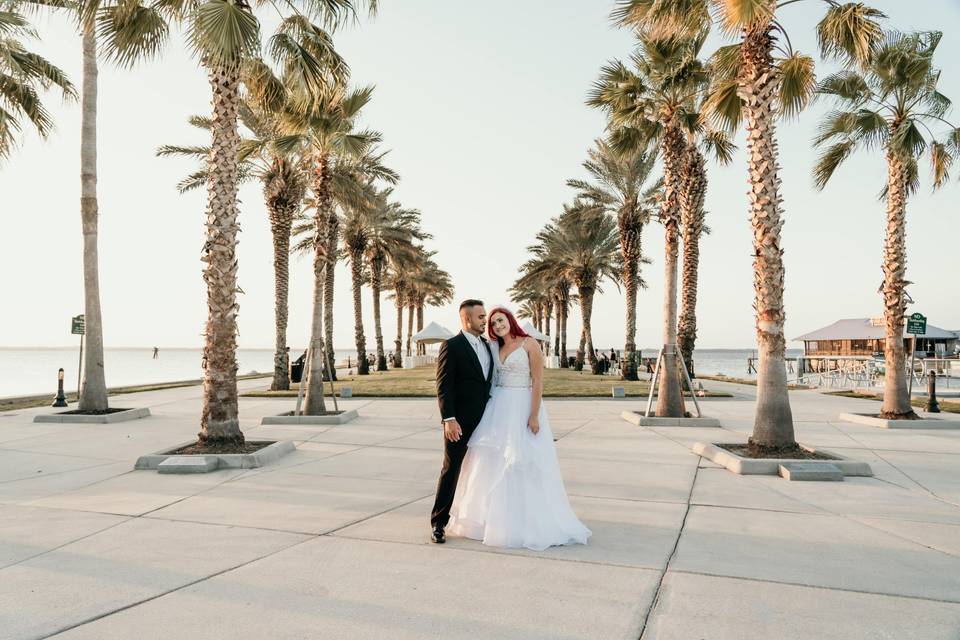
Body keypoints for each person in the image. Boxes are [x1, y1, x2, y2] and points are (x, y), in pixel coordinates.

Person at [445, 306, 591, 551]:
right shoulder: (494, 347)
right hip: (498, 408)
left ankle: (526, 522)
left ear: (510, 320)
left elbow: (538, 381)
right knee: (490, 461)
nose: (497, 326)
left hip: (522, 406)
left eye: (500, 320)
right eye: (492, 323)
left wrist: (533, 415)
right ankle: (490, 521)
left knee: (523, 462)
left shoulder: (529, 344)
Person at [430, 299, 497, 544]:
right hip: (460, 422)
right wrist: (449, 419)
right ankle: (439, 523)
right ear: (467, 319)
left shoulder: (489, 346)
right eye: (481, 316)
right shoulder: (452, 345)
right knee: (451, 469)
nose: (485, 320)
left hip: (488, 420)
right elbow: (443, 386)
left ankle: (484, 517)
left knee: (485, 469)